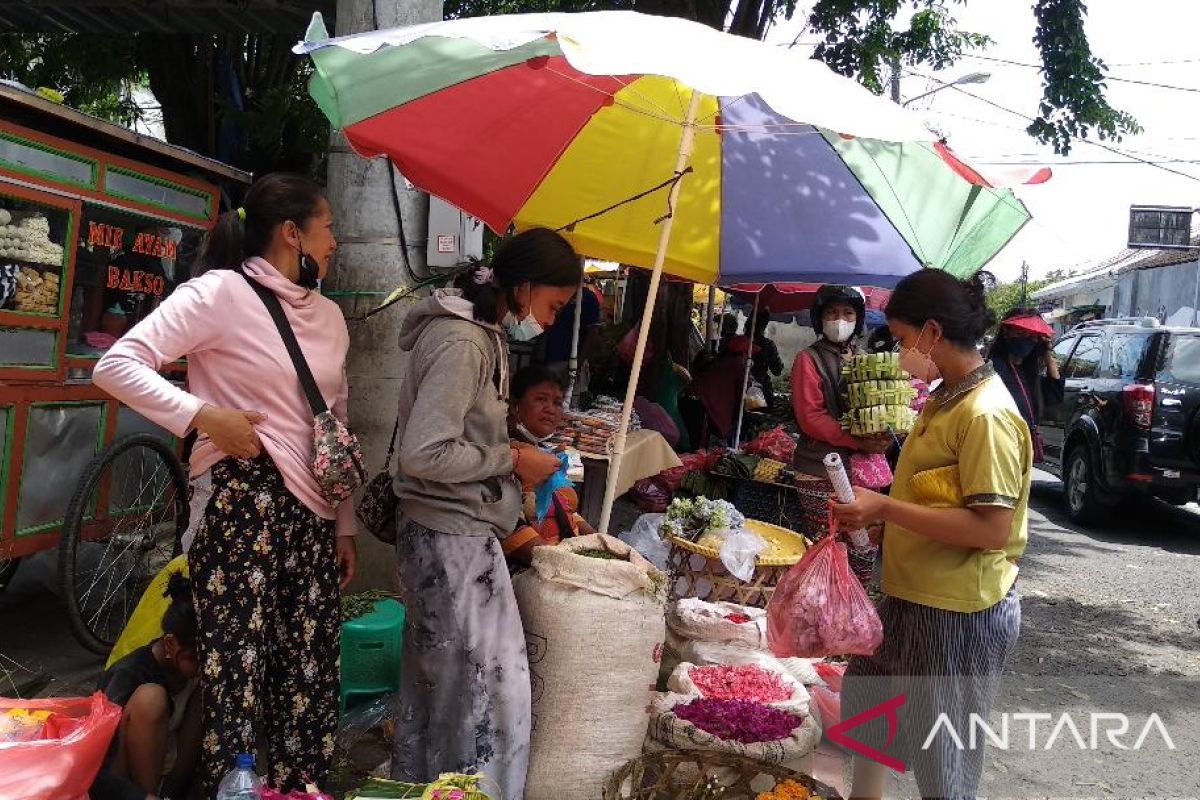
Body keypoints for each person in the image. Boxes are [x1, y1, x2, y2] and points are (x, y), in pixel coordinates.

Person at [93, 173, 355, 793]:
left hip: (312, 513)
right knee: (234, 672)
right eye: (329, 228)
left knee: (308, 672)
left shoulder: (332, 317)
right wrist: (202, 417)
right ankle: (232, 788)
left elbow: (334, 421)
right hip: (239, 503)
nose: (336, 242)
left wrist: (343, 523)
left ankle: (299, 788)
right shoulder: (218, 294)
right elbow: (117, 364)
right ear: (293, 234)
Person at [390, 227, 581, 798]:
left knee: (447, 691)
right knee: (486, 697)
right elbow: (424, 452)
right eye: (552, 306)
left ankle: (429, 787)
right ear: (523, 288)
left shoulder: (483, 334)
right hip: (448, 533)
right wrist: (512, 458)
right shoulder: (462, 343)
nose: (550, 321)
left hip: (458, 530)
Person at [832, 269, 1029, 800]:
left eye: (901, 340)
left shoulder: (985, 415)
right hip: (905, 595)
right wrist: (875, 518)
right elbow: (927, 501)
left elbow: (992, 528)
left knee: (943, 762)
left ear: (932, 333)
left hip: (954, 611)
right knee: (871, 717)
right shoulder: (943, 401)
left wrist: (886, 509)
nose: (899, 354)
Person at [90, 572, 201, 800]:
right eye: (194, 658)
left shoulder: (195, 678)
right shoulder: (128, 674)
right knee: (152, 699)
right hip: (127, 789)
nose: (203, 667)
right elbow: (96, 765)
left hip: (172, 781)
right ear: (170, 643)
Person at [790, 285, 891, 481]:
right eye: (832, 313)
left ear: (857, 319)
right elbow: (811, 417)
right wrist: (856, 441)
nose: (840, 320)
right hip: (821, 467)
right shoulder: (808, 359)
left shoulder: (864, 359)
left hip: (865, 469)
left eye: (848, 313)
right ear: (820, 318)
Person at [501, 366, 595, 566]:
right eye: (541, 399)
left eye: (557, 402)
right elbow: (509, 526)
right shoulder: (510, 456)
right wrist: (563, 564)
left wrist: (597, 541)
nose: (550, 409)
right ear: (515, 407)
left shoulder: (543, 455)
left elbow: (563, 510)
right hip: (527, 570)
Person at [988, 307, 1063, 462]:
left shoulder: (1029, 373)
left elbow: (1054, 396)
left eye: (1033, 336)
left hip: (1022, 451)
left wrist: (1047, 352)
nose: (1027, 339)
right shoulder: (993, 368)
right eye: (1021, 333)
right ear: (1006, 332)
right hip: (999, 447)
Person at [750, 312, 784, 410]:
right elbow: (777, 370)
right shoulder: (768, 344)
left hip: (739, 389)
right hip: (760, 390)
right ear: (764, 324)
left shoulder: (740, 341)